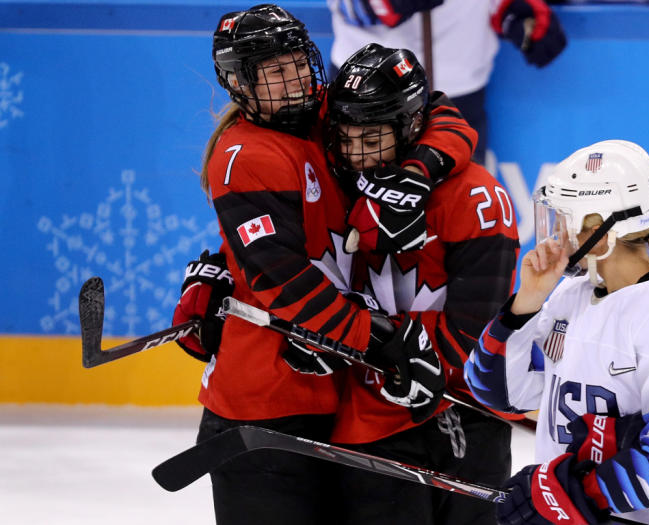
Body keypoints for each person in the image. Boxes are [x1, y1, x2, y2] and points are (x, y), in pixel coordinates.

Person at [172, 5, 471, 523]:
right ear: (239, 84)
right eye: (273, 73)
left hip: (332, 399)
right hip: (263, 409)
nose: (292, 82)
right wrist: (377, 337)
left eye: (295, 64)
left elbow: (439, 113)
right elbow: (285, 283)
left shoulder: (326, 111)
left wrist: (419, 171)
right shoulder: (246, 155)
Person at [464, 140, 649, 524]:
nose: (555, 233)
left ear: (601, 233)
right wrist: (526, 303)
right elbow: (496, 391)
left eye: (564, 218)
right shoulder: (571, 296)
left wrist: (573, 495)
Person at [317, 43, 522, 524]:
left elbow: (481, 322)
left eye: (371, 141)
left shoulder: (476, 196)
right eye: (347, 139)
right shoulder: (340, 180)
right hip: (368, 419)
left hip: (464, 414)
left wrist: (428, 368)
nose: (356, 155)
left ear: (410, 126)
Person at [328, 0, 567, 162]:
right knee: (361, 207)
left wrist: (514, 9)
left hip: (461, 88)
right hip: (370, 89)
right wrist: (380, 4)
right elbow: (347, 6)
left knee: (459, 209)